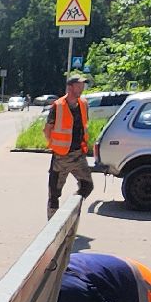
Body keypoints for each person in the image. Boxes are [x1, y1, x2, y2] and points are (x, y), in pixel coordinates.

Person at [46, 72, 94, 216]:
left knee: (87, 186)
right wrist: (55, 145)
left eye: (83, 85)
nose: (82, 88)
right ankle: (52, 226)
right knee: (54, 194)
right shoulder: (58, 106)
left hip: (78, 154)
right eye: (78, 85)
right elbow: (47, 129)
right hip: (61, 157)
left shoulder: (84, 104)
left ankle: (70, 213)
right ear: (70, 87)